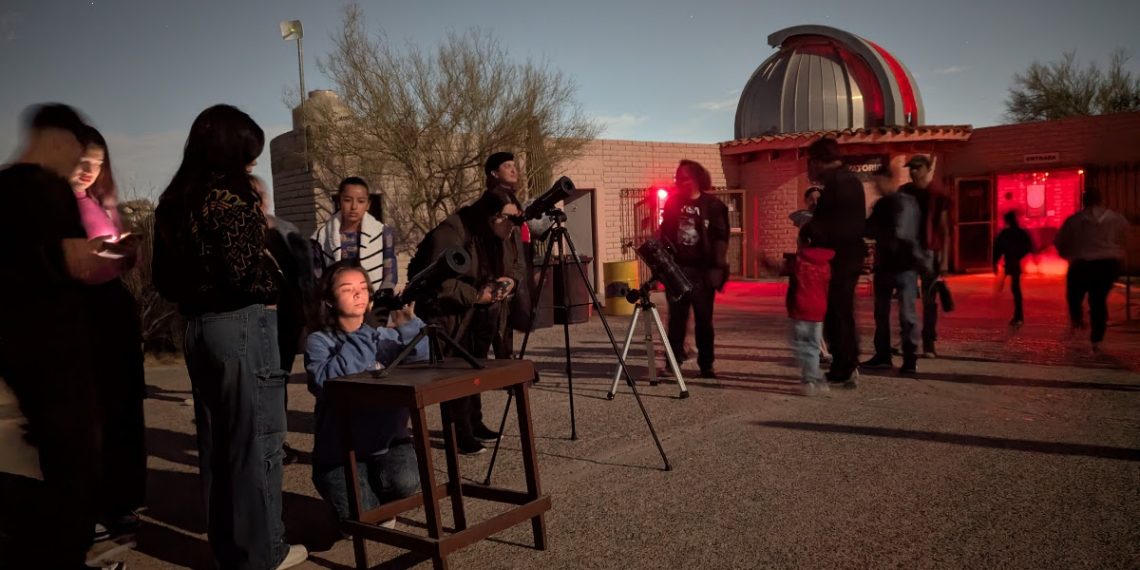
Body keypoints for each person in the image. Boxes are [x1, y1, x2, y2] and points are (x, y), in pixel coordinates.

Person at [152, 104, 307, 570]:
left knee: (219, 447)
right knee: (258, 442)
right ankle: (263, 553)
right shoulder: (230, 196)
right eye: (248, 153)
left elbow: (162, 278)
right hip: (241, 324)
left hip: (199, 330)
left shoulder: (174, 200)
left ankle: (229, 551)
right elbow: (245, 277)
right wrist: (273, 287)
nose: (253, 163)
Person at [0, 104, 130, 569]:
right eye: (76, 151)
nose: (78, 163)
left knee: (69, 464)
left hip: (50, 351)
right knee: (71, 467)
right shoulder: (29, 190)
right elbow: (35, 262)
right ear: (56, 141)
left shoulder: (29, 188)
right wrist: (69, 257)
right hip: (46, 352)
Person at [69, 126, 148, 550]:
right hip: (79, 317)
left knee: (120, 412)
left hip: (111, 311)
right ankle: (93, 511)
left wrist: (122, 251)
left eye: (97, 163)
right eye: (82, 161)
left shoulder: (99, 202)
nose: (88, 171)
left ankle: (118, 504)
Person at [305, 262, 428, 527]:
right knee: (357, 517)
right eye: (348, 289)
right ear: (328, 300)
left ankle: (378, 495)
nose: (358, 294)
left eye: (363, 288)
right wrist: (360, 335)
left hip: (387, 443)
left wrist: (408, 325)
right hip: (339, 451)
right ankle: (355, 502)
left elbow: (423, 359)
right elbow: (327, 381)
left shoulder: (381, 335)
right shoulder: (319, 341)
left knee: (405, 482)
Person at [407, 188, 525, 454]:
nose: (512, 227)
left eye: (516, 220)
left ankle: (474, 422)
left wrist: (510, 282)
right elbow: (437, 282)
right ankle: (458, 433)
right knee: (453, 374)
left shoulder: (502, 232)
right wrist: (475, 295)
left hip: (480, 311)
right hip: (446, 312)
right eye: (507, 219)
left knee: (475, 370)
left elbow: (515, 264)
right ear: (489, 216)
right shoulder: (452, 230)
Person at [253, 175, 316, 465]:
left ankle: (277, 441)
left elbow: (305, 277)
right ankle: (258, 443)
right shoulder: (241, 233)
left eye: (260, 194)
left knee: (278, 381)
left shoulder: (287, 230)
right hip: (252, 323)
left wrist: (309, 316)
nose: (257, 200)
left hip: (286, 322)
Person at [658, 159, 730, 379]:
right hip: (678, 268)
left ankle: (706, 364)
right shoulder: (672, 202)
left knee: (703, 319)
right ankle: (673, 361)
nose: (679, 182)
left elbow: (721, 238)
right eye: (677, 178)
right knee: (676, 319)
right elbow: (665, 232)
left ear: (696, 179)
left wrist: (717, 268)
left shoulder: (714, 206)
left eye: (683, 178)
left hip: (702, 271)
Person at [803, 138, 866, 387]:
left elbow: (840, 227)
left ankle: (845, 365)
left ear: (818, 161)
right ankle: (845, 363)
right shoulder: (844, 182)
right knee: (839, 312)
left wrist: (812, 230)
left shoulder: (842, 184)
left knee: (839, 312)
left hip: (840, 259)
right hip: (842, 258)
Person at [860, 164, 923, 376]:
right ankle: (883, 355)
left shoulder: (905, 203)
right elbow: (868, 228)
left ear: (889, 180)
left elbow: (902, 234)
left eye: (878, 182)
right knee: (882, 314)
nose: (876, 186)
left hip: (904, 266)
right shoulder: (881, 205)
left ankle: (909, 358)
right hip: (886, 266)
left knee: (907, 315)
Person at [312, 176, 398, 324]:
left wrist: (377, 308)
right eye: (347, 200)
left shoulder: (382, 233)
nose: (353, 207)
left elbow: (390, 276)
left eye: (360, 201)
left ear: (368, 204)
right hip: (337, 315)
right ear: (339, 201)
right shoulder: (322, 237)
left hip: (374, 311)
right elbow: (318, 279)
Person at [1054, 187, 1128, 352]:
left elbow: (1061, 242)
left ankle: (1077, 319)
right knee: (1098, 300)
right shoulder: (1116, 219)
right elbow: (1125, 238)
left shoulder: (1074, 220)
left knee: (1074, 295)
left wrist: (1068, 255)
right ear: (1101, 199)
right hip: (1108, 264)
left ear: (1083, 201)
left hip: (1083, 264)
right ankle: (1097, 336)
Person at [900, 154, 952, 358]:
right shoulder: (905, 192)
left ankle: (929, 342)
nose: (912, 171)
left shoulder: (938, 194)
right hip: (907, 251)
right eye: (910, 168)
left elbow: (944, 227)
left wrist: (944, 260)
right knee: (906, 299)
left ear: (927, 169)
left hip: (929, 251)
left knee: (930, 300)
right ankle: (908, 340)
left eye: (917, 167)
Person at [484, 151, 534, 337]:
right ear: (494, 174)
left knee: (507, 335)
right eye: (507, 166)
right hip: (499, 281)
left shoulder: (511, 198)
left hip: (513, 276)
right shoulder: (494, 200)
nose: (513, 170)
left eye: (514, 166)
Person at [786, 222, 834, 396]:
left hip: (800, 309)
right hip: (818, 311)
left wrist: (765, 261)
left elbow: (782, 269)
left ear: (805, 241)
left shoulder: (799, 261)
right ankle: (819, 380)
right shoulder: (826, 264)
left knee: (801, 346)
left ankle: (809, 381)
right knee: (813, 346)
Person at [788, 186, 831, 364]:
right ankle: (821, 351)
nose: (815, 202)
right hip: (807, 270)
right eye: (811, 199)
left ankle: (821, 350)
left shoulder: (828, 220)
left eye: (818, 198)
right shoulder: (806, 220)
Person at [993, 210, 1035, 327]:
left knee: (1015, 289)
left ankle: (1018, 315)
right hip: (1015, 261)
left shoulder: (1005, 233)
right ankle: (1018, 315)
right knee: (1016, 288)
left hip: (1012, 261)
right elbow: (1028, 245)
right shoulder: (1020, 233)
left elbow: (997, 248)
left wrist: (995, 262)